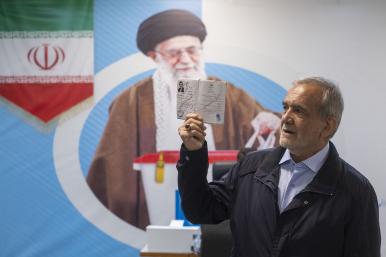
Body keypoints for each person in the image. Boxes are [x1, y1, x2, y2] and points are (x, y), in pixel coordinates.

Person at [87, 9, 280, 229]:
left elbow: (269, 125)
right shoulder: (131, 100)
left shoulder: (223, 92)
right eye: (174, 53)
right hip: (156, 196)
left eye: (192, 50)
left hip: (216, 199)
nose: (186, 60)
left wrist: (268, 121)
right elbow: (112, 169)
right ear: (154, 56)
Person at [177, 77, 381, 257]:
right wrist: (193, 152)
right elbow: (200, 210)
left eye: (298, 110)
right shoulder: (251, 167)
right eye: (286, 107)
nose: (285, 117)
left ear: (327, 126)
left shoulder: (356, 192)